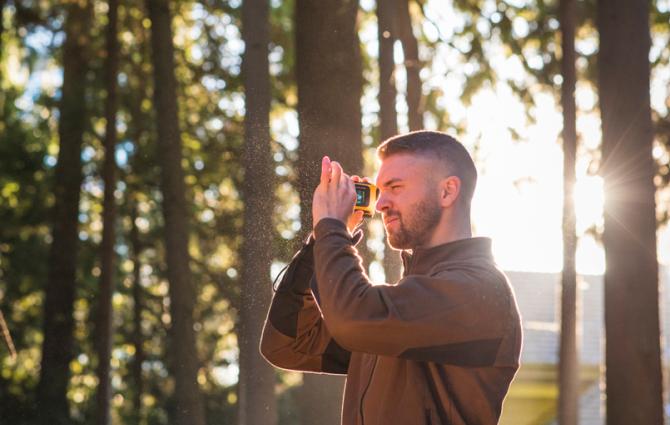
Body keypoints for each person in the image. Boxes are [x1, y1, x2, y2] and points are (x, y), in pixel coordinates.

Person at [260, 130, 522, 425]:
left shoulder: (479, 291)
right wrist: (319, 242)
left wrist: (331, 228)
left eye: (395, 187)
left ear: (447, 191)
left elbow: (352, 319)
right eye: (380, 190)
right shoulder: (396, 309)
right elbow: (288, 345)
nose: (381, 203)